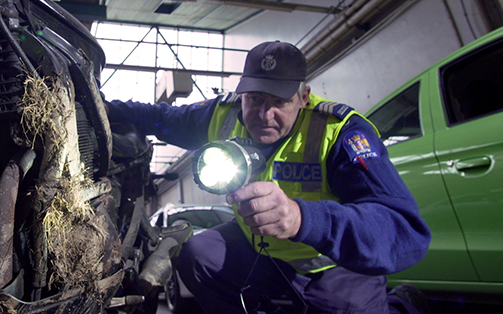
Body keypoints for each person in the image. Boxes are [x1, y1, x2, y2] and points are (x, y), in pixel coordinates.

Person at [105, 41, 431, 314]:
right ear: (242, 94)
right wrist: (95, 104)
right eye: (255, 99)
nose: (264, 115)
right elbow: (158, 118)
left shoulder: (340, 132)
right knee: (198, 253)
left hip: (330, 267)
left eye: (280, 102)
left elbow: (405, 231)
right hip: (259, 253)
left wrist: (303, 218)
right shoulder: (222, 113)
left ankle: (402, 304)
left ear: (303, 98)